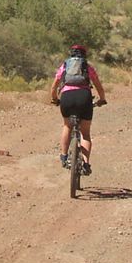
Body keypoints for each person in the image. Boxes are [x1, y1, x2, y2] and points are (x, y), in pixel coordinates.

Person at [49, 45, 107, 174]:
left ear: (71, 54)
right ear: (84, 55)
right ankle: (85, 164)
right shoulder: (87, 66)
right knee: (85, 133)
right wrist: (102, 99)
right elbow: (98, 86)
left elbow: (54, 87)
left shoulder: (64, 66)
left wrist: (54, 99)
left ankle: (64, 157)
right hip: (84, 97)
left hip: (67, 98)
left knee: (67, 126)